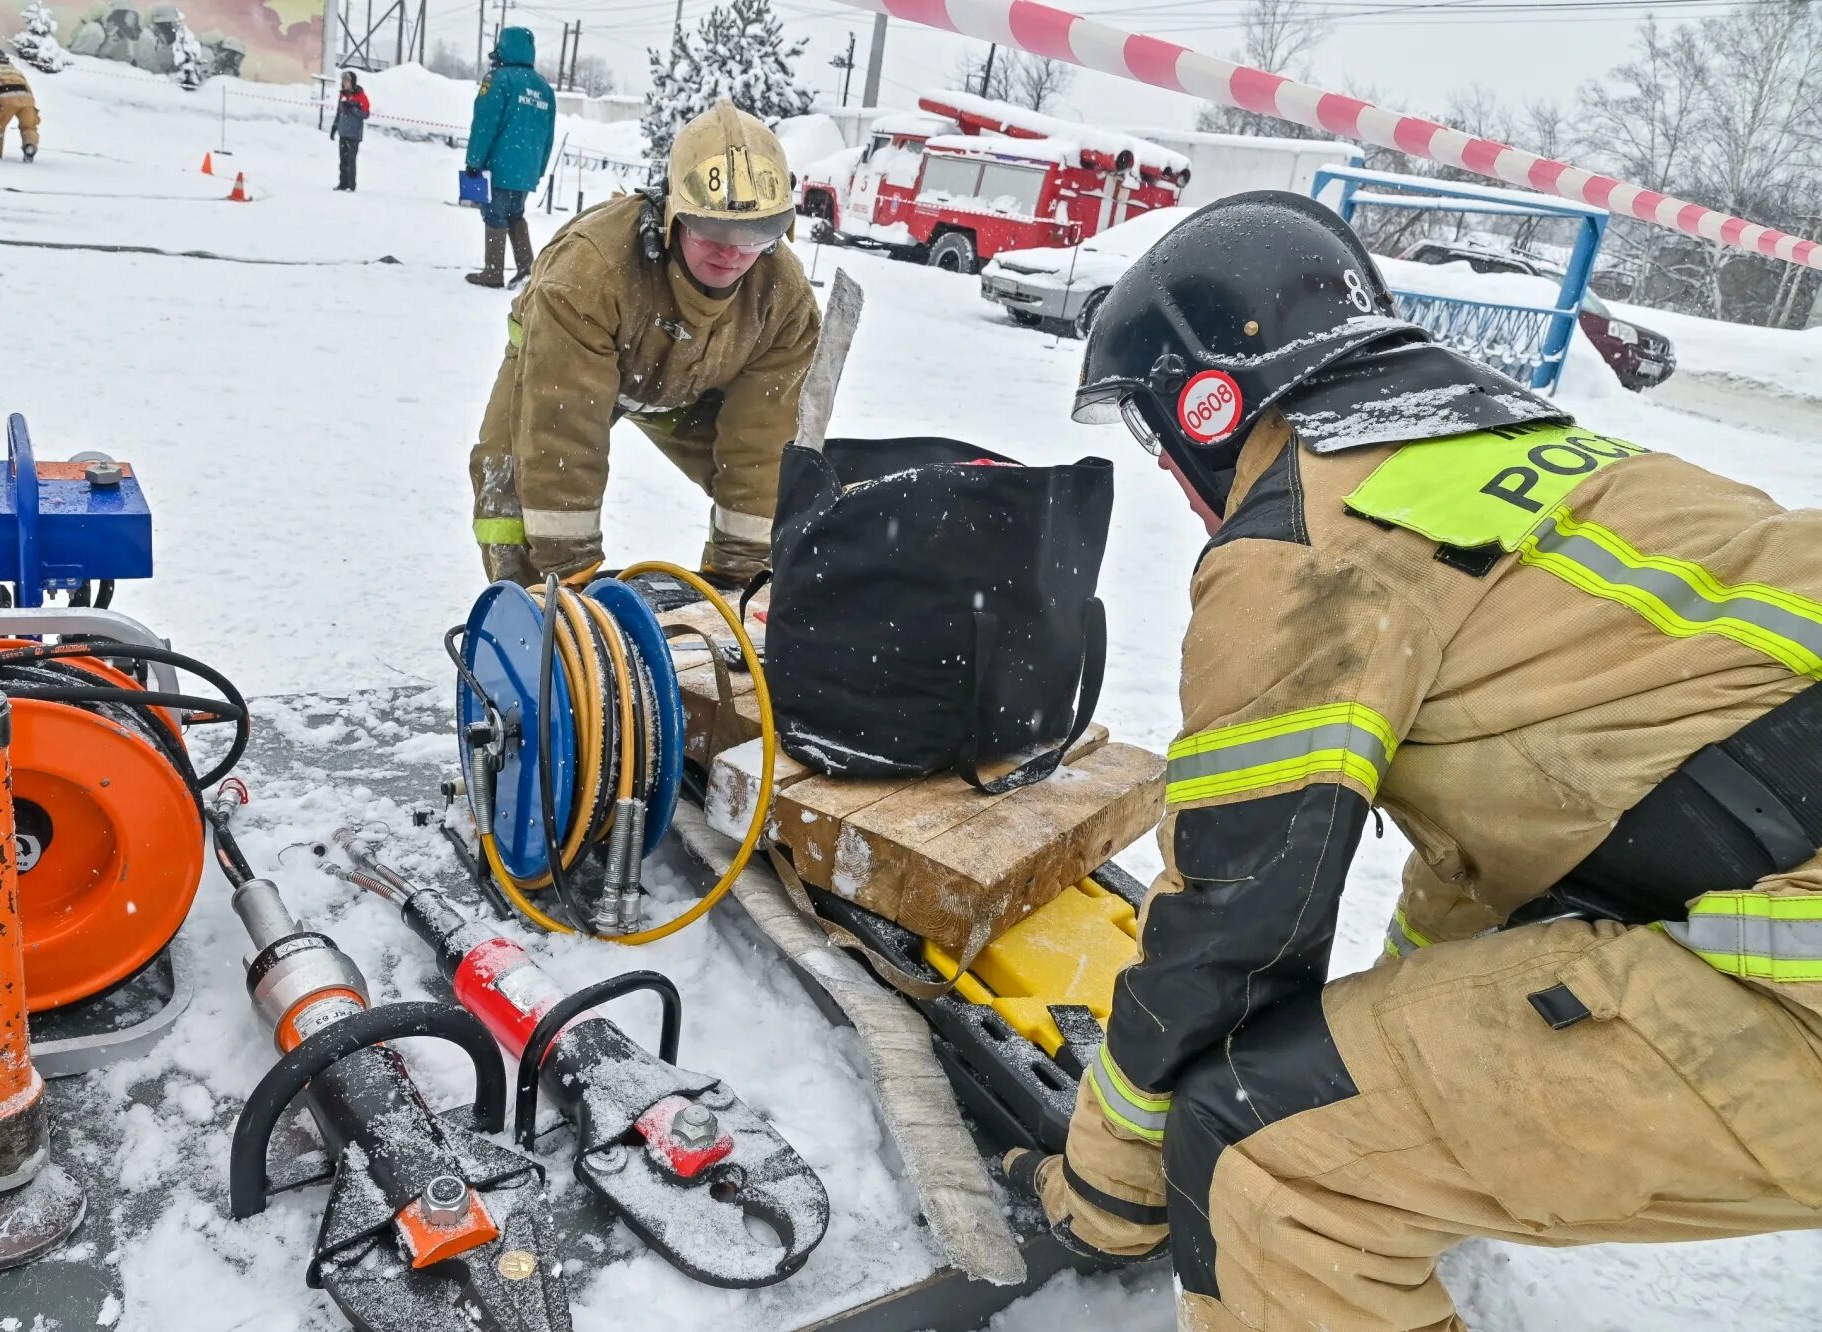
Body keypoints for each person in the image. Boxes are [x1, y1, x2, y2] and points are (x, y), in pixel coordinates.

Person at [1004, 190, 1822, 1330]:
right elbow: (1500, 842)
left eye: (1154, 435)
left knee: (1257, 1146)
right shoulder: (1536, 456)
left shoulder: (1306, 540)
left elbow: (1236, 925)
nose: (1161, 472)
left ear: (1205, 405)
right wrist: (1387, 1032)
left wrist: (1103, 1186)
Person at [467, 99, 819, 586]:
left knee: (771, 494)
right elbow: (562, 427)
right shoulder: (588, 273)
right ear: (672, 213)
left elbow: (760, 445)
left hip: (686, 385)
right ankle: (529, 630)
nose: (732, 251)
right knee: (512, 497)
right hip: (559, 364)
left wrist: (741, 583)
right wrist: (570, 575)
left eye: (756, 232)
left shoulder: (785, 303)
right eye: (712, 226)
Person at [462, 27, 554, 289]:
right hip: (527, 169)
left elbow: (484, 124)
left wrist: (474, 161)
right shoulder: (544, 88)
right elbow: (548, 135)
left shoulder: (499, 79)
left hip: (499, 165)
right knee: (516, 214)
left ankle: (493, 271)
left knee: (494, 215)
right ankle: (527, 267)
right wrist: (539, 168)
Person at [0, 47, 39, 162]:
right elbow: (27, 88)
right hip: (27, 100)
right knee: (29, 126)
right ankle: (29, 146)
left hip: (5, 99)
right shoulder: (15, 70)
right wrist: (32, 106)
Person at [330, 70, 369, 192]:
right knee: (343, 160)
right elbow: (339, 112)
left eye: (347, 80)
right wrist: (334, 127)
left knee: (351, 160)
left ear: (352, 82)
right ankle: (343, 183)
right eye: (343, 80)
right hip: (343, 132)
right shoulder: (342, 95)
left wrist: (353, 108)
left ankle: (351, 185)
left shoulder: (361, 95)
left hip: (354, 134)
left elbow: (366, 114)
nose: (344, 83)